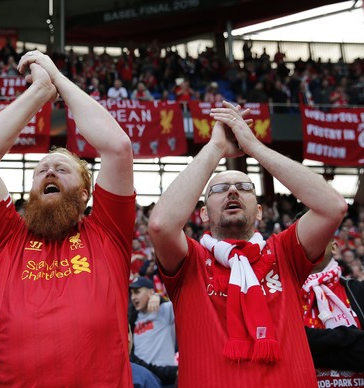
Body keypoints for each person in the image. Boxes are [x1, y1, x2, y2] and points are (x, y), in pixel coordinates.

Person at [0, 50, 135, 386]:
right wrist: (39, 92)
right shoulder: (7, 237)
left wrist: (57, 78)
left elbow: (117, 147)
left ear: (85, 193)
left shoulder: (108, 231)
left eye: (62, 169)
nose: (49, 170)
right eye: (41, 170)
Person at [148, 100, 347, 387]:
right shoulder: (190, 259)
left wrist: (254, 147)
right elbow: (161, 225)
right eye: (218, 189)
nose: (232, 190)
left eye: (245, 187)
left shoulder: (284, 251)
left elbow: (333, 206)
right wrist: (215, 149)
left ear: (260, 211)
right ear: (202, 212)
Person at [303, 239, 364, 383]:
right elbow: (285, 346)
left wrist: (311, 344)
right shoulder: (279, 294)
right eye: (300, 238)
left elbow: (298, 345)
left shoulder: (358, 291)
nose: (309, 239)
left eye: (319, 233)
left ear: (334, 247)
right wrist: (352, 336)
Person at [129, 277, 177, 387]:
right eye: (131, 293)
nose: (133, 297)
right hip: (143, 379)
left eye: (137, 292)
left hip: (165, 378)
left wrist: (159, 298)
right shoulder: (133, 318)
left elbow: (183, 300)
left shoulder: (164, 310)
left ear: (151, 292)